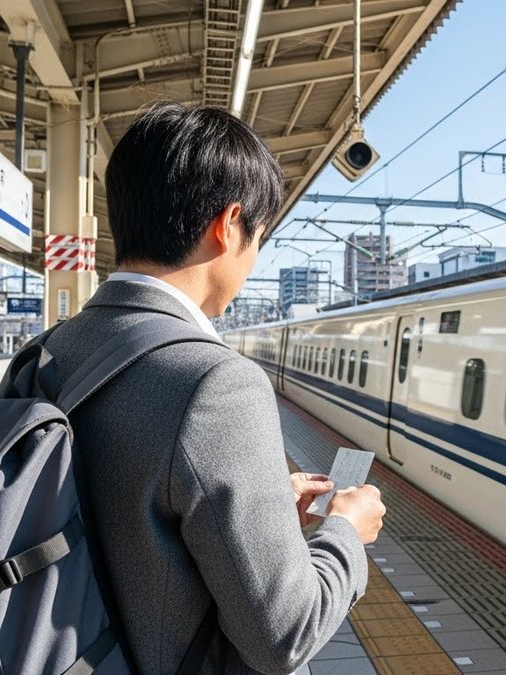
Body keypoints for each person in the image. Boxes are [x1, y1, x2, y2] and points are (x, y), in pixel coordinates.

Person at [41, 101, 386, 674]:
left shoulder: (46, 351)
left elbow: (120, 506)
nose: (253, 260)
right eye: (258, 237)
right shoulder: (217, 383)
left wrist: (260, 505)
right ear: (228, 225)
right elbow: (285, 634)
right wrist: (346, 532)